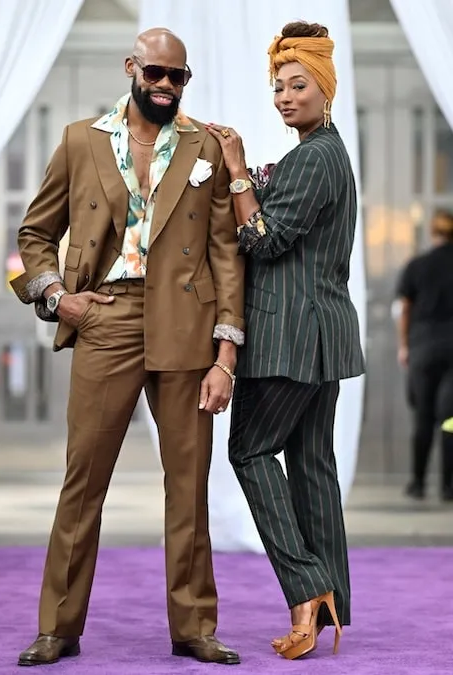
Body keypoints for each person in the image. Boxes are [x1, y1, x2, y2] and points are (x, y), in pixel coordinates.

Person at [10, 28, 245, 666]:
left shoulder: (207, 145)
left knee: (189, 486)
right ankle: (58, 626)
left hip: (189, 329)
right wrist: (60, 298)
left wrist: (227, 355)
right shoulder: (80, 140)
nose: (166, 86)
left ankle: (194, 627)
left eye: (178, 76)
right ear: (132, 69)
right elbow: (35, 233)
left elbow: (226, 254)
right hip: (106, 319)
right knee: (82, 481)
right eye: (156, 74)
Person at [205, 20, 364, 661]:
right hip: (323, 336)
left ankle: (306, 589)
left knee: (248, 452)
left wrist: (240, 170)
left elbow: (263, 240)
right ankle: (329, 607)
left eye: (298, 86)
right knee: (312, 466)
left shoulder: (314, 157)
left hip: (287, 336)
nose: (285, 97)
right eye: (278, 88)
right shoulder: (331, 155)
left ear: (325, 90)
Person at [396, 209, 453, 502]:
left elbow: (405, 309)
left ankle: (418, 483)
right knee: (450, 419)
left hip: (423, 348)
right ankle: (448, 486)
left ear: (433, 232)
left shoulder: (417, 265)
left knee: (423, 416)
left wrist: (404, 346)